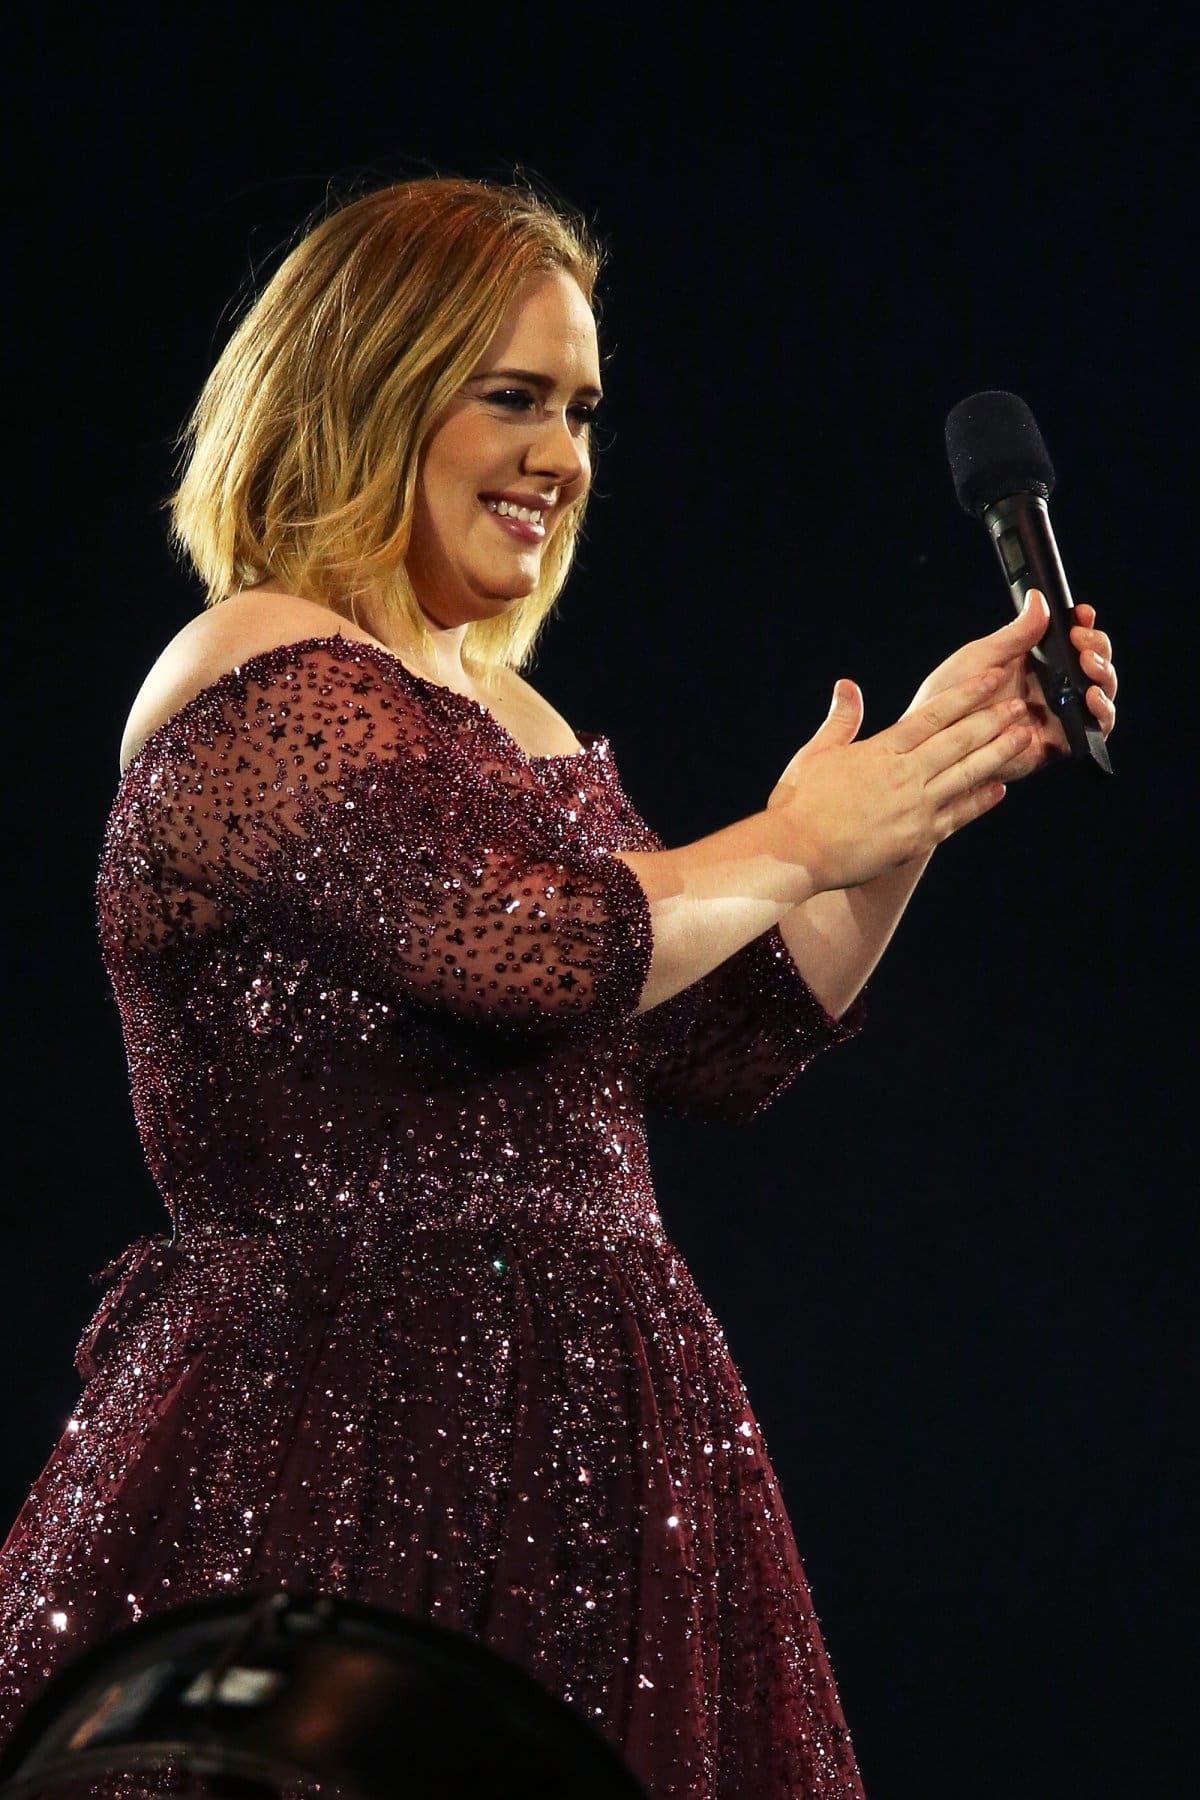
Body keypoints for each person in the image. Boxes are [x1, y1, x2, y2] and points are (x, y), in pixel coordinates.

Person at [0, 178, 1116, 1798]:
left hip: (593, 1465)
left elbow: (719, 1039)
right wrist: (800, 835)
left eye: (581, 411)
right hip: (338, 1449)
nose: (562, 456)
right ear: (367, 389)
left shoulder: (512, 720)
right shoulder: (254, 661)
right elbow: (529, 946)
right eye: (512, 398)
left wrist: (923, 791)